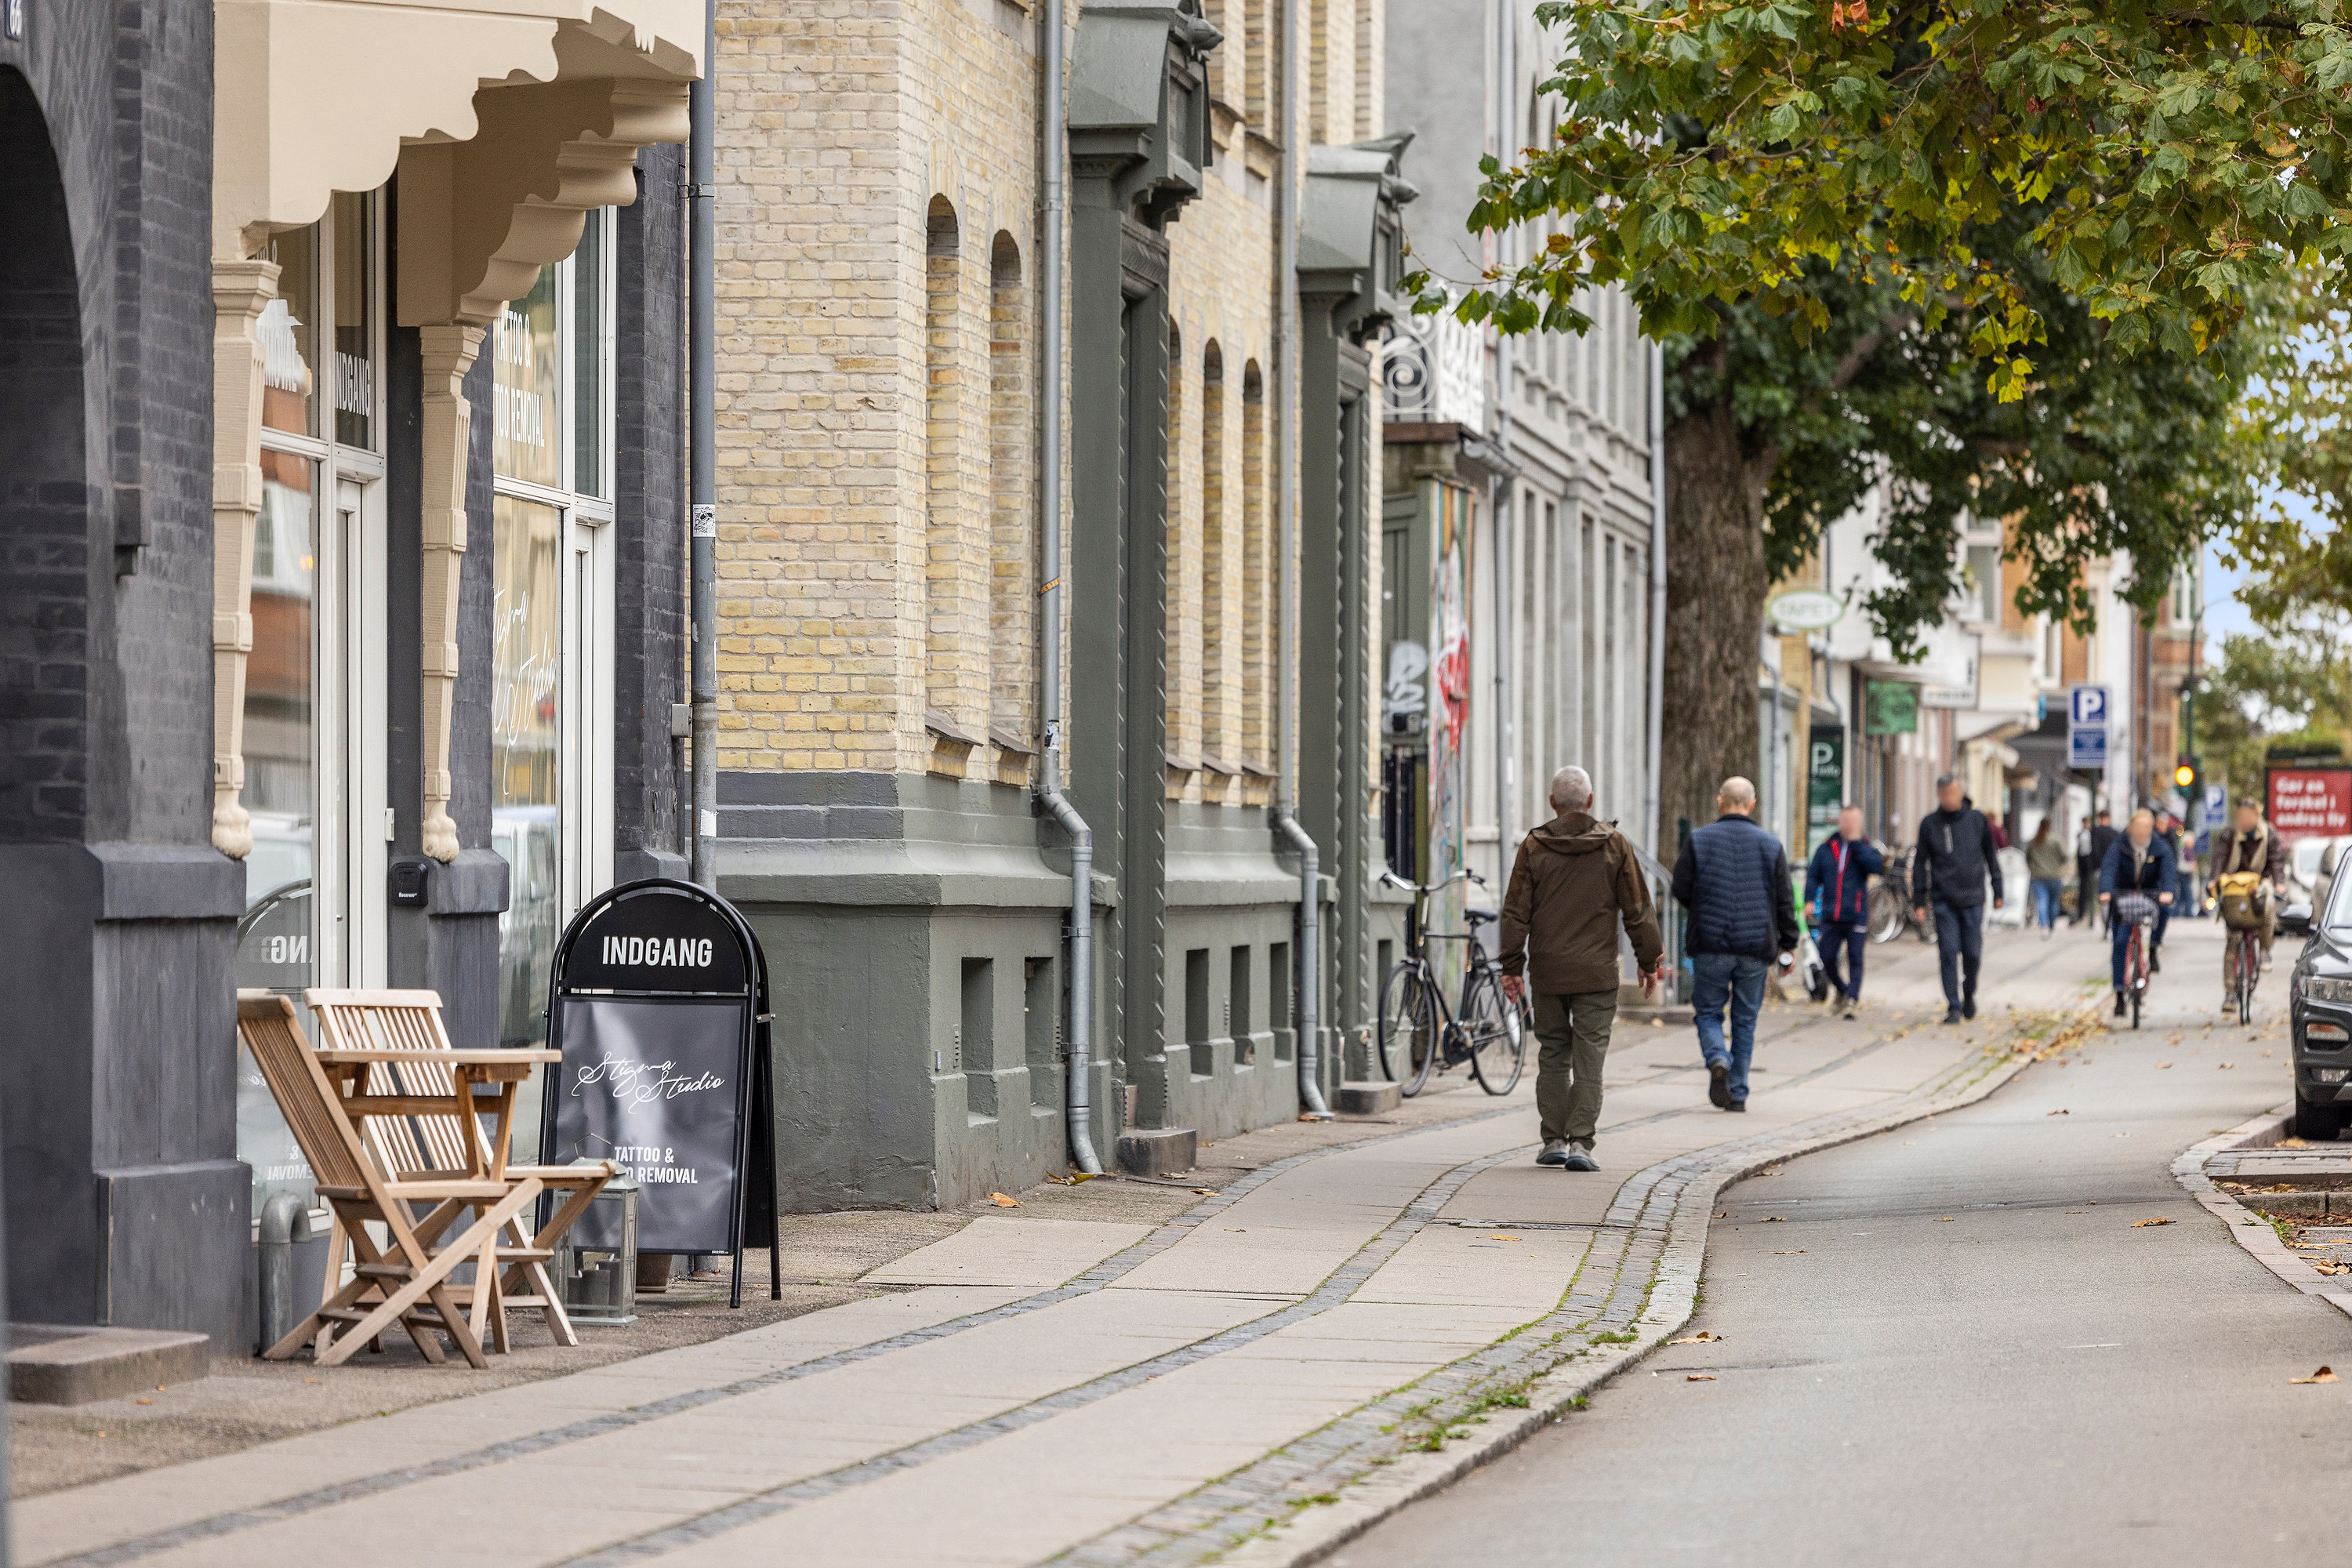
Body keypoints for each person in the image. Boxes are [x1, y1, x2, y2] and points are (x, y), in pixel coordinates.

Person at [1498, 765, 1666, 1172]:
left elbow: (1515, 912)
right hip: (1596, 974)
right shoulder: (1614, 845)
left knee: (1553, 1053)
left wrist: (1511, 966)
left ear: (1553, 803)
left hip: (1550, 972)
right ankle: (1581, 1145)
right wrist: (1649, 960)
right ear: (1589, 802)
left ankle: (1553, 1139)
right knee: (1590, 1056)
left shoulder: (1534, 847)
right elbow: (1638, 908)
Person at [1671, 776, 1798, 1113]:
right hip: (1755, 947)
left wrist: (1701, 906)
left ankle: (1717, 1058)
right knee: (1745, 1020)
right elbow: (1784, 901)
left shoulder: (1699, 840)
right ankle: (1739, 1092)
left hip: (1711, 943)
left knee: (1709, 1012)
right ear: (1752, 804)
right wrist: (1789, 944)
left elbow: (1679, 889)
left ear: (1720, 801)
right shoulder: (1770, 846)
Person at [1911, 774, 2005, 1025]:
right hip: (1943, 900)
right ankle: (1953, 1005)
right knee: (1948, 952)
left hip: (1973, 897)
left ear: (1961, 794)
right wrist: (1919, 900)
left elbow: (1991, 857)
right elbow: (1920, 863)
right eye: (1944, 795)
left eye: (1953, 794)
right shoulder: (1930, 824)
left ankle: (1969, 991)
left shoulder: (1977, 820)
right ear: (1939, 795)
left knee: (1973, 953)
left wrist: (1998, 890)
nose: (1949, 799)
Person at [1804, 804, 1882, 1018]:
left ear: (1860, 824)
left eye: (1853, 821)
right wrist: (1809, 900)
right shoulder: (1827, 847)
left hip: (1856, 913)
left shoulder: (1865, 848)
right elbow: (1813, 875)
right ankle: (1841, 988)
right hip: (1831, 914)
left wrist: (1856, 844)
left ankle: (1852, 1000)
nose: (1849, 825)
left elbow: (1875, 866)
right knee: (1826, 956)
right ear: (1840, 822)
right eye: (1845, 821)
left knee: (1856, 957)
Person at [2100, 808, 2176, 1015]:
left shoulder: (2160, 846)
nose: (2142, 832)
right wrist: (2106, 891)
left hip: (2151, 893)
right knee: (2120, 943)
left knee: (2165, 910)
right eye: (2139, 827)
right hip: (2123, 894)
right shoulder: (2119, 845)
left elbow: (2168, 870)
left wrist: (2167, 891)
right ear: (2131, 828)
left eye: (2146, 828)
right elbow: (2109, 868)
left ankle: (2153, 947)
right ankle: (2119, 994)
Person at [2213, 799, 2289, 1004]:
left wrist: (2279, 882)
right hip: (2233, 885)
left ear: (2257, 816)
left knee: (2269, 904)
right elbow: (2219, 858)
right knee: (2233, 938)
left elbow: (2276, 860)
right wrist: (2214, 881)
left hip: (2259, 883)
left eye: (2249, 817)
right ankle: (2230, 993)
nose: (2244, 821)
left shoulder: (2268, 834)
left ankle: (2265, 950)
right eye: (2241, 817)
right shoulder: (2228, 834)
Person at [2026, 818, 2071, 938]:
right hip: (2054, 876)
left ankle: (2044, 926)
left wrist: (2034, 867)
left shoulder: (2033, 841)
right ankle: (2051, 927)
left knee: (2042, 901)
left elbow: (2027, 858)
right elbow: (2065, 857)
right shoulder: (2056, 840)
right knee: (2053, 903)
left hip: (2038, 877)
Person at [2076, 809, 2118, 929]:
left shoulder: (2095, 832)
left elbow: (2090, 850)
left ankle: (2106, 924)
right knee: (2112, 895)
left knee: (2101, 896)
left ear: (2100, 818)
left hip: (2098, 868)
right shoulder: (2114, 833)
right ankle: (2111, 922)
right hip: (2113, 869)